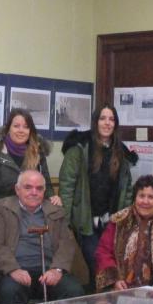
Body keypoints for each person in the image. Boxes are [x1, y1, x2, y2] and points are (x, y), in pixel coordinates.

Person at [58, 103, 138, 280]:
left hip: (111, 221)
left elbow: (127, 189)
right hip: (85, 221)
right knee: (95, 262)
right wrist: (66, 221)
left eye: (111, 119)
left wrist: (124, 218)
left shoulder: (121, 152)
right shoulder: (79, 148)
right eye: (103, 118)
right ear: (95, 122)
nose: (107, 123)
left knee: (113, 263)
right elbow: (67, 186)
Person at [0, 170, 84, 304]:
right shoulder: (2, 209)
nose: (34, 192)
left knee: (74, 290)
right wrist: (13, 269)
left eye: (39, 188)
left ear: (44, 191)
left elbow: (66, 244)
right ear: (17, 189)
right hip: (16, 270)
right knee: (8, 292)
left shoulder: (55, 210)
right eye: (28, 187)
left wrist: (57, 269)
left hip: (49, 270)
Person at [93, 176, 153, 291]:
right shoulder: (119, 221)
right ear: (135, 198)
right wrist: (115, 280)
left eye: (151, 197)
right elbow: (103, 251)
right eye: (141, 196)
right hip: (121, 291)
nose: (145, 201)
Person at [0, 108, 58, 222]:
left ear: (30, 131)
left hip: (29, 214)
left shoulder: (38, 153)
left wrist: (52, 197)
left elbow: (46, 185)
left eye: (26, 127)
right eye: (16, 126)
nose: (21, 130)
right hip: (0, 213)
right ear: (8, 128)